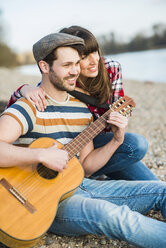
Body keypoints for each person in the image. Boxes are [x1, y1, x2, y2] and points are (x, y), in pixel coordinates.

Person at [0, 32, 166, 248]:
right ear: (44, 67)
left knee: (161, 191)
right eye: (67, 64)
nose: (75, 71)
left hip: (80, 185)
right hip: (43, 204)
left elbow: (86, 167)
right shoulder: (29, 106)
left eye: (77, 63)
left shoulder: (82, 111)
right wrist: (40, 154)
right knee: (115, 217)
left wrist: (116, 140)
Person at [7, 26, 158, 181]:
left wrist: (116, 123)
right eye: (85, 56)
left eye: (95, 51)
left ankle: (86, 178)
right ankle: (86, 179)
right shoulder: (65, 78)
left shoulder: (111, 68)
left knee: (139, 152)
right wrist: (23, 89)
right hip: (71, 145)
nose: (94, 61)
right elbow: (26, 102)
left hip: (99, 139)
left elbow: (117, 114)